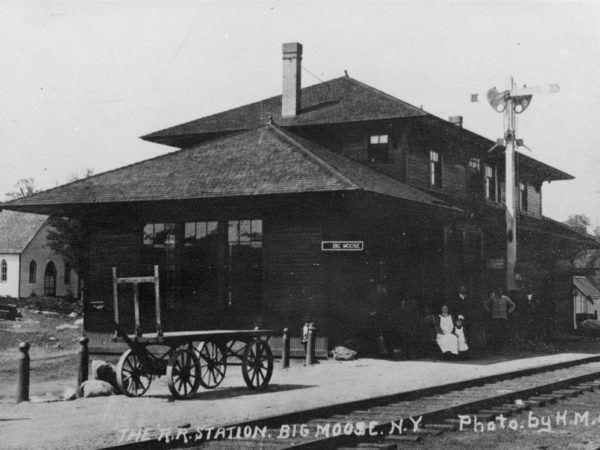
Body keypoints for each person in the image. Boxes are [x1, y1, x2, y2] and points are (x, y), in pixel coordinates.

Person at [485, 288, 516, 354]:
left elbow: (513, 305)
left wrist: (509, 311)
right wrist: (489, 311)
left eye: (500, 291)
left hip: (503, 318)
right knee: (495, 334)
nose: (499, 293)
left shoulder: (505, 298)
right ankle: (495, 350)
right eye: (498, 291)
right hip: (495, 318)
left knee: (501, 334)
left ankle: (500, 349)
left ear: (502, 292)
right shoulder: (493, 298)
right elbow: (486, 304)